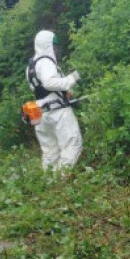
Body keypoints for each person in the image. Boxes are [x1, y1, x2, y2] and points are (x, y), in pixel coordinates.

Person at [26, 30, 82, 171]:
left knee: (50, 152)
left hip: (41, 112)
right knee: (72, 145)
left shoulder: (31, 65)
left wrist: (64, 93)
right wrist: (71, 79)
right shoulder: (45, 62)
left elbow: (42, 89)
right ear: (47, 45)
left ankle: (49, 183)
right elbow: (49, 83)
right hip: (57, 112)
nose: (56, 50)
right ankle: (61, 180)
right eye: (54, 46)